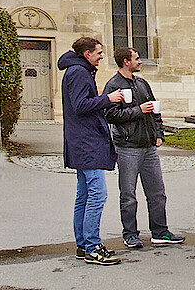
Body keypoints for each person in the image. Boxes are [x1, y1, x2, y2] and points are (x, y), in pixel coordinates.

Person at [103, 47, 184, 249]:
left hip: (148, 147)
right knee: (128, 195)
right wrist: (137, 111)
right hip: (128, 147)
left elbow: (154, 111)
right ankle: (130, 234)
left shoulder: (141, 83)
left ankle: (160, 232)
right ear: (125, 62)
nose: (140, 62)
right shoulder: (114, 85)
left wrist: (159, 134)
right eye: (136, 59)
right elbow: (110, 115)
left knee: (157, 192)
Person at [59, 36, 125, 265]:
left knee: (85, 195)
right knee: (97, 194)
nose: (101, 57)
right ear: (87, 54)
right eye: (98, 52)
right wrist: (107, 99)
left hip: (82, 141)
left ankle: (83, 244)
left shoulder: (78, 70)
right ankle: (92, 247)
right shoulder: (78, 72)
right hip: (86, 143)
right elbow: (80, 106)